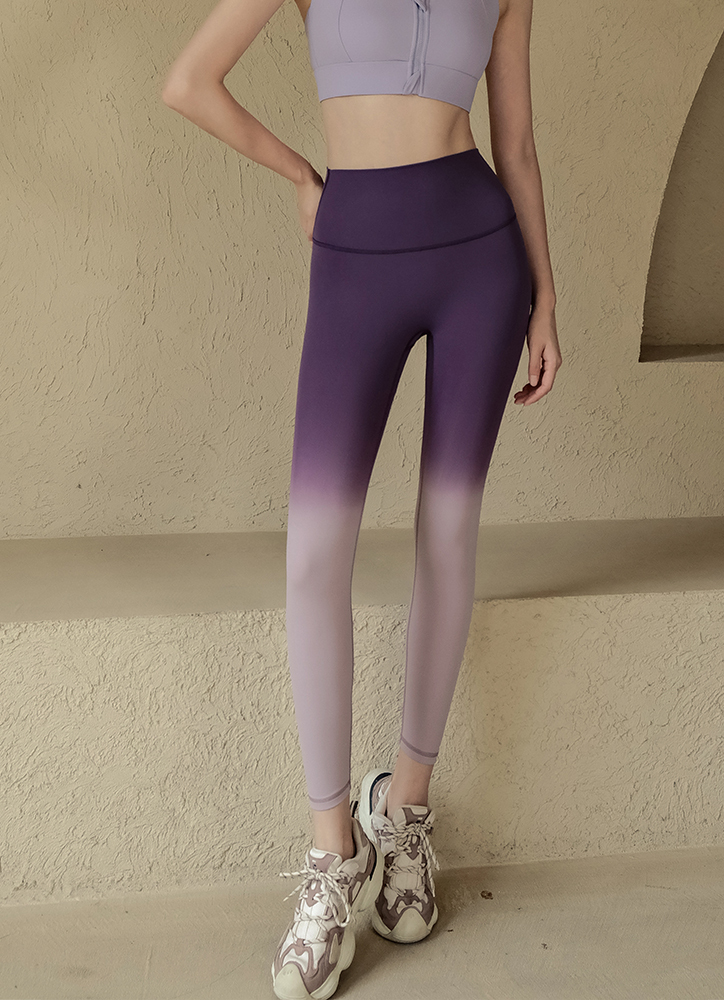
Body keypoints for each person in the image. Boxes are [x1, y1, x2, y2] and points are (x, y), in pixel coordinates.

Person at [162, 0, 561, 994]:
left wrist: (546, 296)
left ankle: (407, 814)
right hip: (355, 257)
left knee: (449, 529)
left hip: (482, 258)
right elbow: (189, 81)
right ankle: (332, 853)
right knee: (314, 550)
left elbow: (515, 142)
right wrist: (302, 175)